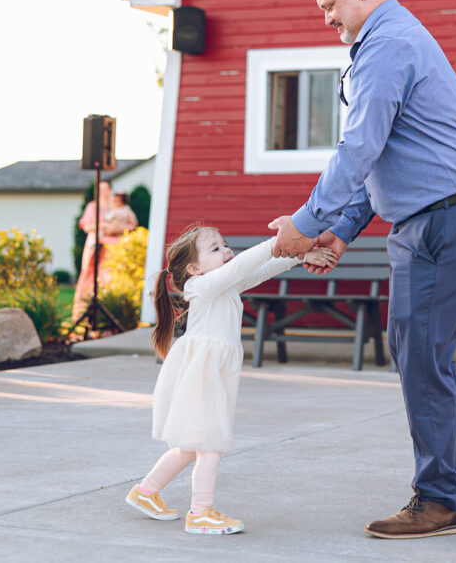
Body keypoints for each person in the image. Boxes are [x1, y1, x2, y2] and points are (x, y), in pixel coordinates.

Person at [268, 0, 456, 539]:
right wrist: (342, 229)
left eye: (329, 5)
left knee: (419, 351)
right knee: (425, 350)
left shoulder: (388, 45)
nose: (325, 18)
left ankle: (438, 499)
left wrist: (304, 220)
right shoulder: (389, 41)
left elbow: (359, 148)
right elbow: (388, 160)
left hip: (442, 221)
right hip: (441, 216)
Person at [125, 225, 334, 535]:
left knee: (192, 443)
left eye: (225, 245)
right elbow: (243, 264)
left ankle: (145, 492)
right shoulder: (201, 285)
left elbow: (261, 270)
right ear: (194, 268)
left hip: (211, 372)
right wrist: (277, 242)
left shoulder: (225, 286)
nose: (226, 251)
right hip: (202, 374)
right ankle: (201, 513)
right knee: (210, 444)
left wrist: (299, 255)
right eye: (215, 249)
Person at [72, 182, 136, 322]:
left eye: (106, 189)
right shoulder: (92, 206)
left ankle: (115, 315)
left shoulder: (119, 207)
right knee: (91, 278)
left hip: (115, 248)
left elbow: (131, 225)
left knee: (113, 278)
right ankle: (86, 316)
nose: (104, 192)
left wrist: (116, 228)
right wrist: (103, 226)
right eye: (101, 189)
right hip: (97, 246)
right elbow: (86, 226)